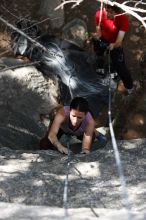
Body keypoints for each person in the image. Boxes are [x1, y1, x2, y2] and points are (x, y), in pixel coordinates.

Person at [40, 97, 106, 154]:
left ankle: (95, 132)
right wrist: (59, 146)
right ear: (69, 110)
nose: (75, 121)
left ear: (85, 115)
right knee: (45, 144)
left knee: (92, 137)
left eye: (79, 117)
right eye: (73, 116)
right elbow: (51, 135)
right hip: (62, 128)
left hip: (80, 130)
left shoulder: (90, 121)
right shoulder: (62, 113)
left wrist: (85, 151)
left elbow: (85, 148)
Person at [92, 3, 133, 94]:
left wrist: (113, 45)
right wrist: (97, 36)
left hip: (115, 43)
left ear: (117, 13)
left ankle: (129, 86)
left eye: (112, 12)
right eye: (107, 11)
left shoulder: (123, 20)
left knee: (119, 64)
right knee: (99, 51)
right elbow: (98, 30)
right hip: (103, 40)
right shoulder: (99, 14)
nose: (108, 14)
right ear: (105, 8)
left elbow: (119, 41)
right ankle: (100, 63)